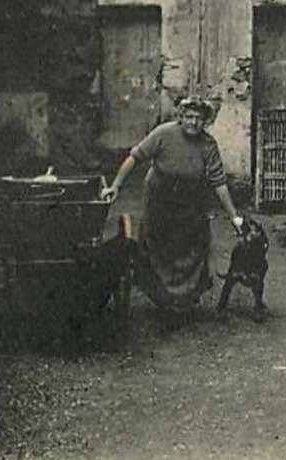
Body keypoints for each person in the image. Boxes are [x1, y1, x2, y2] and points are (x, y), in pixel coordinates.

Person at [104, 96, 243, 313]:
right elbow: (134, 158)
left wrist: (234, 216)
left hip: (191, 202)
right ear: (180, 117)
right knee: (159, 245)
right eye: (188, 117)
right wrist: (115, 186)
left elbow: (219, 181)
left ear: (205, 121)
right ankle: (162, 297)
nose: (193, 123)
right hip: (160, 198)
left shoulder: (208, 145)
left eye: (198, 118)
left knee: (191, 247)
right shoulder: (163, 133)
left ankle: (184, 299)